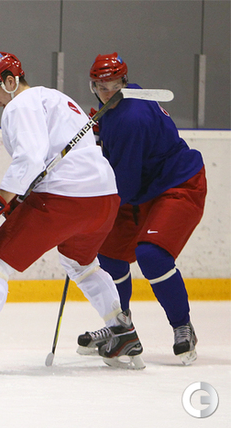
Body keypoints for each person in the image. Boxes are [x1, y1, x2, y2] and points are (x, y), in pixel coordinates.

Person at [0, 51, 144, 374]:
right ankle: (122, 331)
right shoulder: (57, 98)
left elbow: (30, 158)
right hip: (105, 198)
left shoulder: (20, 104)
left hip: (66, 197)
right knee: (80, 263)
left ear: (10, 81)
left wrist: (0, 200)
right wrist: (20, 199)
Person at [77, 53, 206, 365]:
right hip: (145, 187)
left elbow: (125, 184)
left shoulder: (130, 119)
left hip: (177, 184)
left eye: (114, 85)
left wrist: (90, 210)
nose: (109, 92)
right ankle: (120, 326)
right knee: (109, 253)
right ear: (93, 86)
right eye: (102, 86)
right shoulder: (128, 98)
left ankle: (182, 326)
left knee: (152, 255)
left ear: (124, 81)